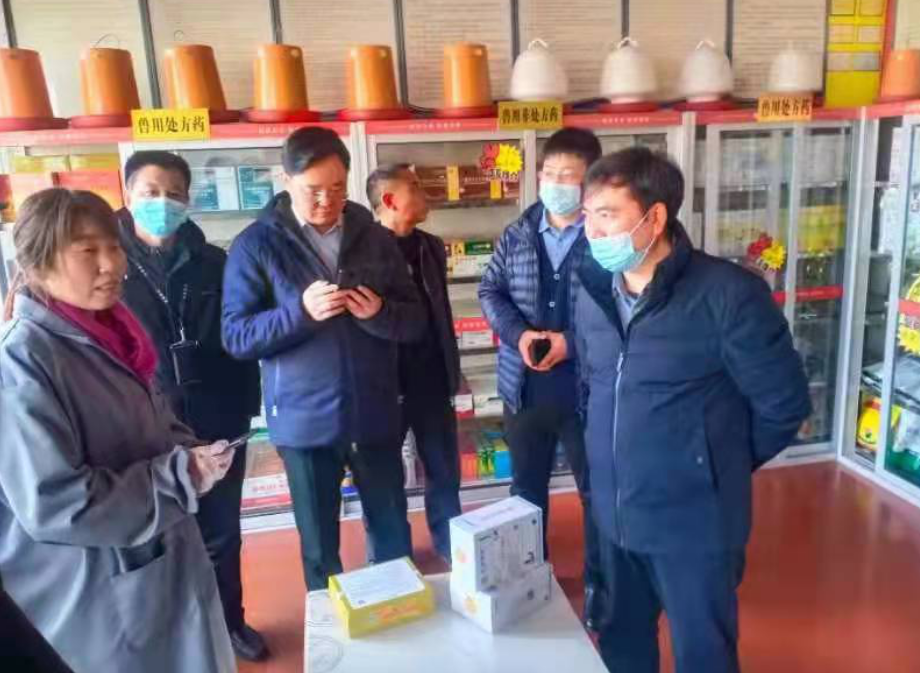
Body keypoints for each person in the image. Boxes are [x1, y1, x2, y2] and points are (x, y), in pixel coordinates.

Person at [574, 147, 812, 673]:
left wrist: (712, 464)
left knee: (704, 655)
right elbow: (592, 383)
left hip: (694, 525)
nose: (591, 231)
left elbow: (784, 405)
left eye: (606, 214)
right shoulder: (592, 289)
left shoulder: (728, 295)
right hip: (615, 515)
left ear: (654, 217)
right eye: (587, 214)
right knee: (622, 645)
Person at [0, 188, 237, 673]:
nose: (111, 264)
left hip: (161, 559)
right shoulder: (21, 362)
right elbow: (57, 505)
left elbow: (148, 422)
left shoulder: (109, 332)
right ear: (38, 262)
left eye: (114, 246)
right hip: (100, 588)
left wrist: (190, 451)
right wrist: (179, 477)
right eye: (87, 250)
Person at [222, 127, 425, 591]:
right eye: (313, 189)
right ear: (286, 180)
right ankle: (328, 630)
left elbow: (414, 320)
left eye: (337, 188)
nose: (326, 201)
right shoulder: (256, 244)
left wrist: (379, 313)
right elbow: (236, 337)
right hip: (305, 422)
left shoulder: (374, 238)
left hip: (373, 412)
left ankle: (399, 617)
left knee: (393, 534)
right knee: (319, 549)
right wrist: (300, 313)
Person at [116, 151, 267, 661]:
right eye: (150, 192)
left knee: (222, 531)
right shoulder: (109, 265)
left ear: (188, 200)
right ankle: (173, 640)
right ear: (127, 194)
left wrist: (244, 410)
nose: (162, 203)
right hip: (143, 423)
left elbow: (241, 339)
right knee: (156, 537)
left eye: (174, 194)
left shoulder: (215, 264)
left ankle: (229, 625)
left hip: (217, 415)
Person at [479, 127, 604, 627]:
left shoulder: (606, 237)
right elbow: (490, 291)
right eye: (549, 173)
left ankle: (601, 585)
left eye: (568, 176)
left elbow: (623, 307)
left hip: (587, 391)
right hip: (524, 388)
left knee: (596, 493)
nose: (555, 184)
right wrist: (519, 335)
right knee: (525, 492)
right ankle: (530, 579)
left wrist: (570, 342)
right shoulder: (518, 232)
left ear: (591, 182)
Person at [366, 164, 462, 564]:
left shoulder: (431, 247)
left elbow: (440, 313)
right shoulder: (363, 250)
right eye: (415, 187)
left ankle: (452, 545)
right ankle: (392, 559)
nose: (426, 193)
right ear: (390, 200)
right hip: (384, 385)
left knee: (444, 469)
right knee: (384, 478)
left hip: (432, 378)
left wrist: (451, 369)